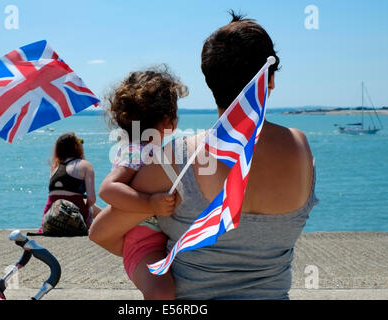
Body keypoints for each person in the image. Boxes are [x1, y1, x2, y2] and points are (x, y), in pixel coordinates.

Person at [90, 12, 318, 300]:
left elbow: (101, 232)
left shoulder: (176, 159)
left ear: (210, 81)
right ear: (269, 82)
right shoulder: (301, 147)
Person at [89, 66, 188, 299]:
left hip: (157, 238)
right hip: (143, 244)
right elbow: (108, 189)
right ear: (169, 121)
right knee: (160, 293)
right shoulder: (138, 151)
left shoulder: (151, 149)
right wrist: (149, 203)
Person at [39, 132, 97, 234]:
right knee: (90, 206)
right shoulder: (85, 165)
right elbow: (91, 199)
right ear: (76, 146)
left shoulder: (55, 167)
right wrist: (86, 209)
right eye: (80, 142)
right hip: (74, 222)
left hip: (49, 223)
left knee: (83, 200)